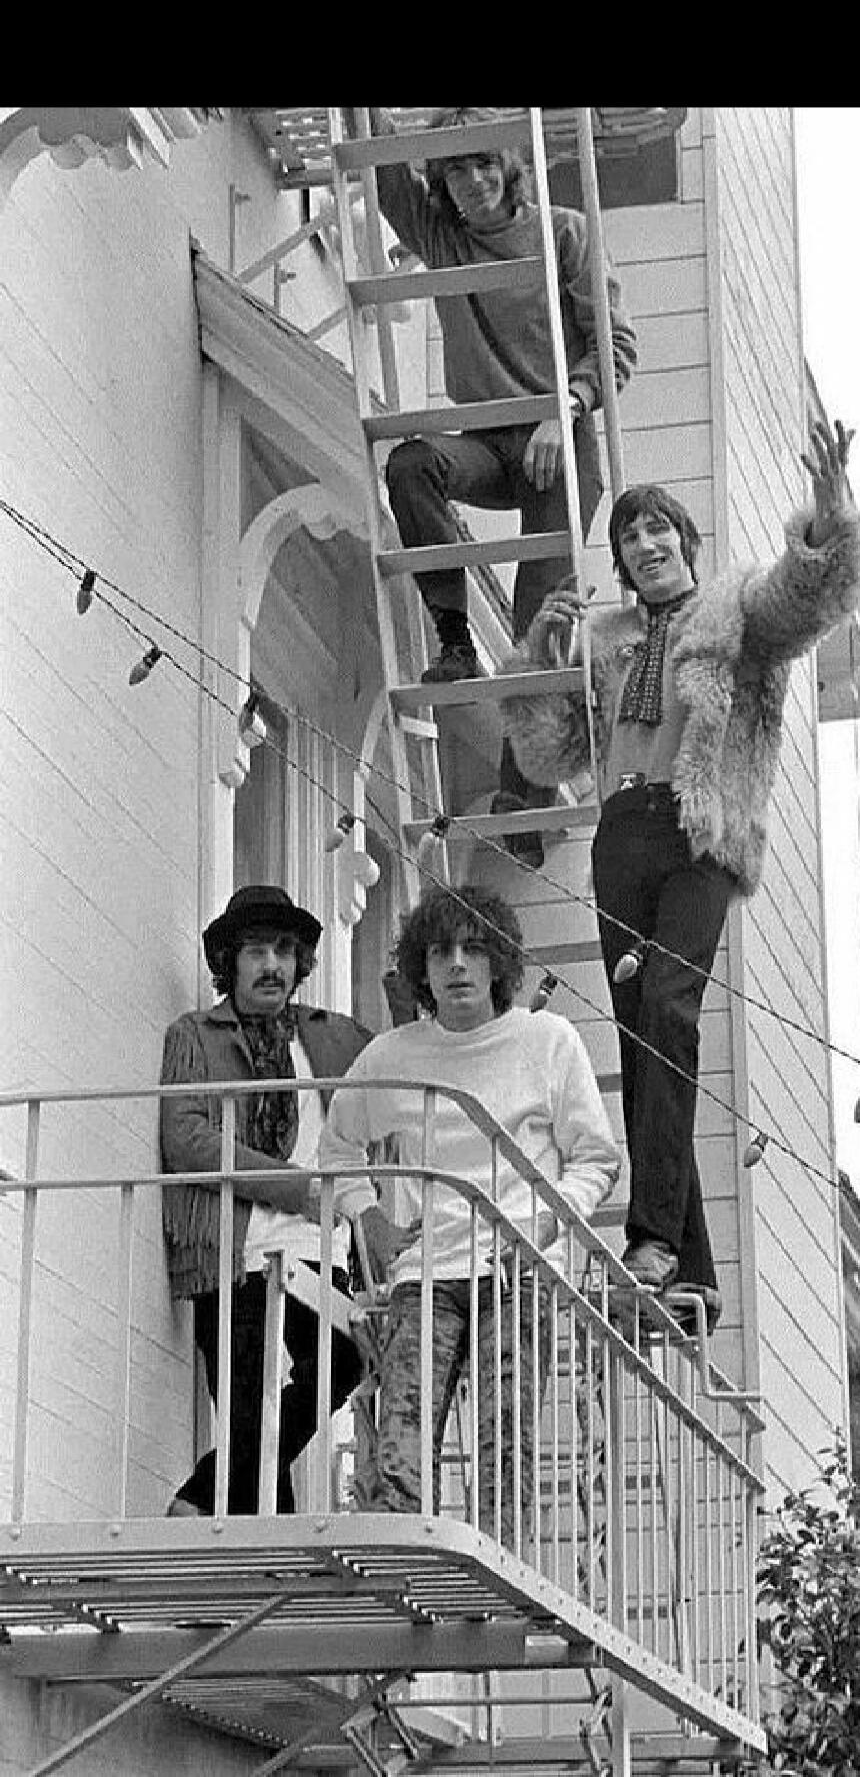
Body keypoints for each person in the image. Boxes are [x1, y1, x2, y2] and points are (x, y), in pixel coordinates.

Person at [500, 418, 860, 1305]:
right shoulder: (607, 634)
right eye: (630, 534)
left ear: (685, 540)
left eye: (658, 527)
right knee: (645, 1038)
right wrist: (539, 664)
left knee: (669, 1005)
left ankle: (653, 1240)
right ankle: (684, 1272)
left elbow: (804, 598)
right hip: (621, 834)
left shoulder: (735, 610)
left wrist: (828, 521)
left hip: (700, 832)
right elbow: (550, 758)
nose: (645, 542)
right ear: (621, 559)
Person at [367, 104, 638, 861]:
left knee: (539, 614)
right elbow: (387, 170)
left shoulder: (564, 232)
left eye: (486, 163)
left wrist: (567, 407)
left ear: (509, 168)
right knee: (413, 464)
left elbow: (615, 344)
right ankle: (454, 638)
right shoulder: (445, 237)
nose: (476, 180)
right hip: (490, 440)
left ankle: (526, 798)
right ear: (443, 182)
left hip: (560, 444)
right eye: (457, 168)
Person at [319, 884, 620, 1539]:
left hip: (517, 1274)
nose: (457, 964)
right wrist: (369, 1217)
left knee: (504, 1445)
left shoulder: (546, 1040)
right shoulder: (394, 1054)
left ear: (498, 962)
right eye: (440, 952)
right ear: (421, 970)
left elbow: (596, 1158)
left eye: (474, 948)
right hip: (425, 1275)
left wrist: (543, 1221)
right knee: (398, 1442)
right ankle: (399, 1578)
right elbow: (337, 1146)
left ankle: (499, 1587)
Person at [159, 885, 370, 1516]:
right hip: (232, 1247)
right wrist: (293, 1187)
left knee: (345, 1359)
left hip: (319, 1247)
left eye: (284, 950)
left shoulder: (333, 1038)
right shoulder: (195, 1034)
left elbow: (402, 1081)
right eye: (256, 951)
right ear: (230, 961)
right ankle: (266, 1561)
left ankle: (198, 1497)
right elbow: (189, 1140)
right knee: (253, 1408)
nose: (273, 965)